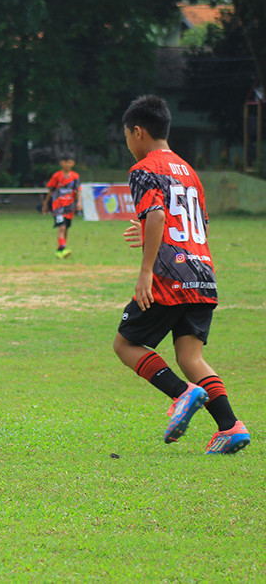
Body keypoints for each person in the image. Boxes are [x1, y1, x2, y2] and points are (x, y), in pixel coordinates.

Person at [114, 94, 250, 454]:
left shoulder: (143, 169)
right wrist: (147, 231)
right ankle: (231, 426)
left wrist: (145, 272)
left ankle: (182, 393)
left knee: (126, 344)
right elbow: (197, 225)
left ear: (138, 132)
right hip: (201, 273)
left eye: (127, 136)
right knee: (191, 356)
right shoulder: (189, 171)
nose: (128, 144)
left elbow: (157, 216)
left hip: (169, 277)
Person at [43, 153, 82, 259]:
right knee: (62, 227)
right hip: (58, 206)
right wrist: (46, 204)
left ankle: (60, 250)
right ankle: (62, 249)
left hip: (69, 206)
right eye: (65, 162)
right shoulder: (57, 176)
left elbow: (78, 190)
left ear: (73, 163)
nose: (67, 164)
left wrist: (79, 203)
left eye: (69, 162)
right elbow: (51, 191)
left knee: (66, 229)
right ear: (61, 163)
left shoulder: (75, 177)